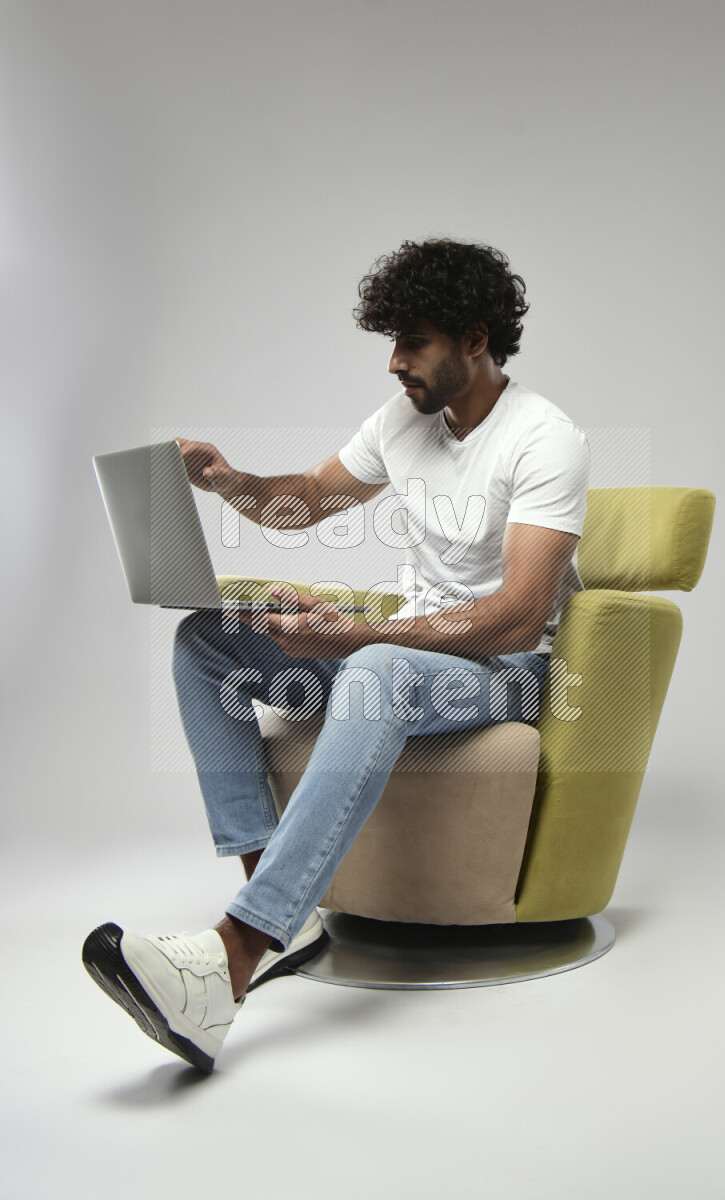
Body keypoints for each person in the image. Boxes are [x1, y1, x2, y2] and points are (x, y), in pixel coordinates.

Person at [82, 238, 591, 1073]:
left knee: (376, 669)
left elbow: (515, 615)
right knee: (208, 642)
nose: (395, 363)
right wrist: (227, 481)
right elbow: (308, 504)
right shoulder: (405, 421)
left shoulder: (545, 440)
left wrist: (357, 634)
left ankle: (231, 961)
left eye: (413, 340)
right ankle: (285, 913)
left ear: (475, 337)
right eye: (390, 341)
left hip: (505, 675)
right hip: (407, 658)